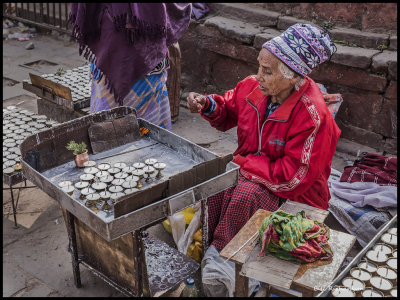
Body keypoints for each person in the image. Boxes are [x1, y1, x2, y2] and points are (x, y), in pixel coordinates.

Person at [187, 23, 341, 296]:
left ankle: (225, 260)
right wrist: (208, 104)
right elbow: (229, 108)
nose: (258, 76)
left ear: (293, 76)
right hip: (258, 175)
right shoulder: (253, 87)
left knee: (245, 192)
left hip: (298, 195)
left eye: (267, 72)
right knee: (218, 184)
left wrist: (243, 165)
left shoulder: (313, 116)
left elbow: (292, 177)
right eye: (259, 66)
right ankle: (217, 250)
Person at [68, 3, 192, 131]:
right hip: (121, 54)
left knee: (112, 128)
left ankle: (112, 142)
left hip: (117, 51)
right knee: (143, 133)